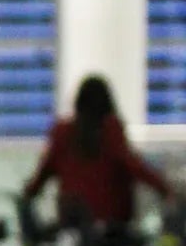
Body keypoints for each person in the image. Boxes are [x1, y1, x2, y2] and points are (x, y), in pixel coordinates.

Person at [25, 74, 175, 227]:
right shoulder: (110, 130)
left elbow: (45, 170)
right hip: (111, 221)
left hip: (72, 219)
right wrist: (164, 189)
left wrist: (28, 194)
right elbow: (132, 165)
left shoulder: (62, 132)